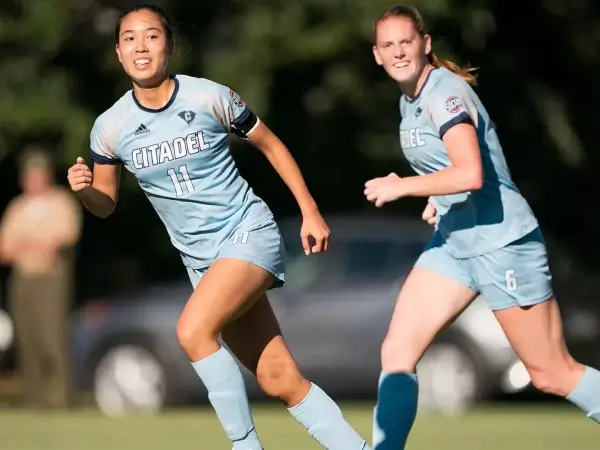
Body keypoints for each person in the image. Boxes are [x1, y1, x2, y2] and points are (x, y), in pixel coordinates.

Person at [67, 4, 370, 450]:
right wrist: (83, 191)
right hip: (202, 262)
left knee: (192, 331)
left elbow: (271, 144)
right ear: (118, 52)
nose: (141, 46)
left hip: (248, 233)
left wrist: (309, 209)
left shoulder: (208, 96)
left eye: (151, 36)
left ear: (168, 46)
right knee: (279, 378)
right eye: (130, 38)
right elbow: (106, 204)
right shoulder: (110, 127)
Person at [365, 4, 600, 449]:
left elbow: (471, 173)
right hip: (455, 243)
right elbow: (454, 172)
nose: (398, 52)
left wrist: (406, 188)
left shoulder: (443, 94)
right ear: (377, 54)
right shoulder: (408, 100)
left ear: (425, 44)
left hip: (502, 242)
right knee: (397, 353)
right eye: (388, 45)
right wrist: (439, 196)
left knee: (551, 372)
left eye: (406, 42)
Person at [0, 147, 82, 409]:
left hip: (51, 278)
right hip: (23, 280)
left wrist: (25, 244)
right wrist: (33, 244)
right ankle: (35, 401)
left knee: (51, 338)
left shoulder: (61, 203)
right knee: (27, 338)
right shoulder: (17, 208)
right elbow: (5, 250)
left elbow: (56, 243)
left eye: (38, 173)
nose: (33, 179)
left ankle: (61, 398)